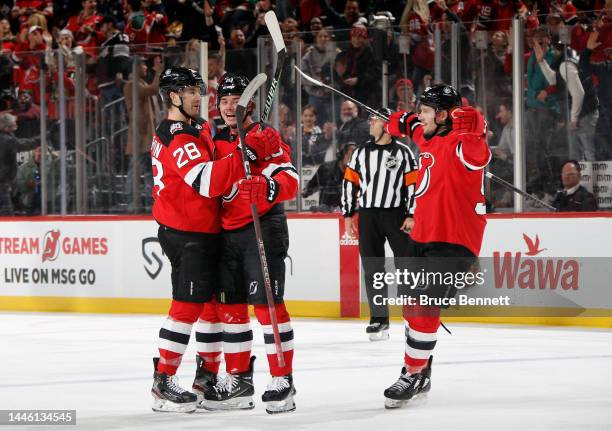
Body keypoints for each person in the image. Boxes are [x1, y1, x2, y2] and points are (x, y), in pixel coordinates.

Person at [149, 67, 278, 413]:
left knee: (208, 309)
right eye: (191, 92)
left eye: (199, 91)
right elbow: (207, 182)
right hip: (187, 234)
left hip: (203, 231)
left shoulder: (197, 127)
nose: (198, 97)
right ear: (174, 97)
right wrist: (245, 153)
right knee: (187, 307)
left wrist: (244, 142)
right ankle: (163, 381)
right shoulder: (179, 136)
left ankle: (206, 375)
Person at [384, 84, 491, 408]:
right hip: (422, 237)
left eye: (427, 111)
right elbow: (406, 126)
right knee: (411, 306)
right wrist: (395, 121)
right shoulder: (425, 136)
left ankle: (413, 372)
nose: (421, 116)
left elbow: (479, 157)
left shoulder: (461, 142)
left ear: (443, 115)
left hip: (453, 241)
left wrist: (475, 132)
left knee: (422, 305)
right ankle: (422, 368)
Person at [200, 73, 298, 414]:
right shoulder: (214, 141)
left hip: (262, 228)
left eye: (235, 100)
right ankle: (239, 380)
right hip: (227, 233)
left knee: (268, 307)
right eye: (224, 101)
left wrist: (267, 186)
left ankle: (282, 379)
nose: (229, 107)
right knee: (231, 310)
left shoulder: (265, 135)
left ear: (248, 104)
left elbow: (290, 177)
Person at [342, 107, 418, 341]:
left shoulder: (404, 153)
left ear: (386, 125)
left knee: (406, 267)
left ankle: (412, 318)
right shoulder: (360, 153)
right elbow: (349, 183)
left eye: (373, 120)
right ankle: (379, 318)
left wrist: (411, 214)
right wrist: (348, 214)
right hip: (368, 216)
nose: (370, 125)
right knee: (373, 268)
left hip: (397, 215)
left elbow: (413, 186)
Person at [0, 113, 40, 215]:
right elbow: (25, 144)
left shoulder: (7, 137)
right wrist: (42, 137)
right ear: (7, 126)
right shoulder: (7, 140)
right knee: (7, 213)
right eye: (13, 123)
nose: (16, 124)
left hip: (4, 180)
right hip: (2, 180)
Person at [303, 143, 356, 212]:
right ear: (343, 155)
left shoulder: (355, 172)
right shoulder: (326, 168)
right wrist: (305, 192)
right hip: (326, 211)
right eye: (350, 157)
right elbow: (313, 185)